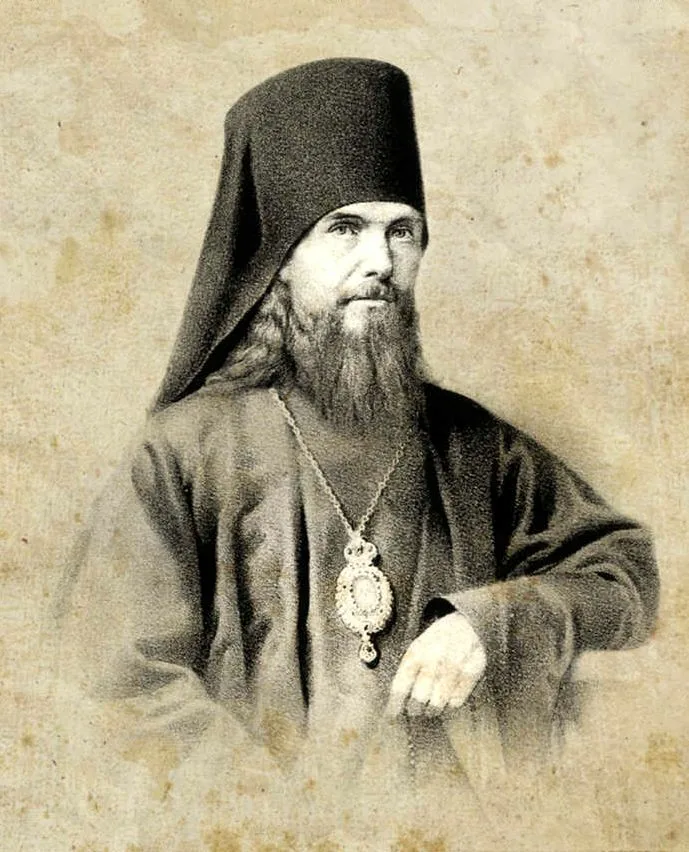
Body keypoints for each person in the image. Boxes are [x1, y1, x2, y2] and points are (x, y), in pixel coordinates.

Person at [58, 58, 658, 796]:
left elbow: (624, 575)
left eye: (401, 232)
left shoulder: (474, 444)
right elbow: (118, 684)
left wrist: (488, 622)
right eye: (344, 229)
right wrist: (286, 823)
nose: (380, 261)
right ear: (277, 262)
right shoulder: (182, 450)